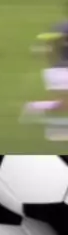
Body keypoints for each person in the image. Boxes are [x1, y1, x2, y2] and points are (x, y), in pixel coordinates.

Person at [22, 12, 68, 140]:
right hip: (63, 71)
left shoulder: (59, 26)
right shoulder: (63, 27)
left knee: (63, 104)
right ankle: (36, 109)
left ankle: (36, 108)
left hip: (56, 70)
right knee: (64, 104)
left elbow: (48, 47)